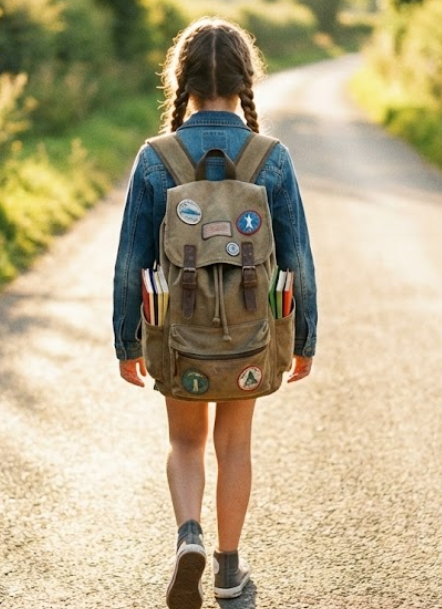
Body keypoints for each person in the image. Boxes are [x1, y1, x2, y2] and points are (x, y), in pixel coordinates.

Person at [111, 16, 318, 609]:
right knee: (234, 445)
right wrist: (304, 338)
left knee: (185, 443)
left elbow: (130, 261)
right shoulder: (270, 158)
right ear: (246, 80)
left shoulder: (156, 158)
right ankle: (229, 570)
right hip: (251, 337)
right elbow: (297, 258)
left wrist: (127, 343)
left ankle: (188, 537)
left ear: (181, 81)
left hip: (178, 336)